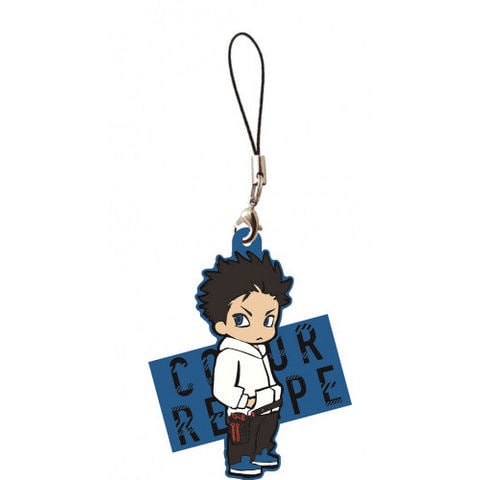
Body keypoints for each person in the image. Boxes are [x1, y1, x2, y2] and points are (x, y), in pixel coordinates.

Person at [197, 250, 293, 478]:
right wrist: (243, 400)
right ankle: (239, 461)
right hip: (243, 409)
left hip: (268, 404)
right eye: (241, 319)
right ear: (221, 325)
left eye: (268, 319)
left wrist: (274, 392)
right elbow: (221, 388)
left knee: (265, 433)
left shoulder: (261, 348)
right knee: (242, 438)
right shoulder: (229, 354)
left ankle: (263, 452)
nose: (259, 329)